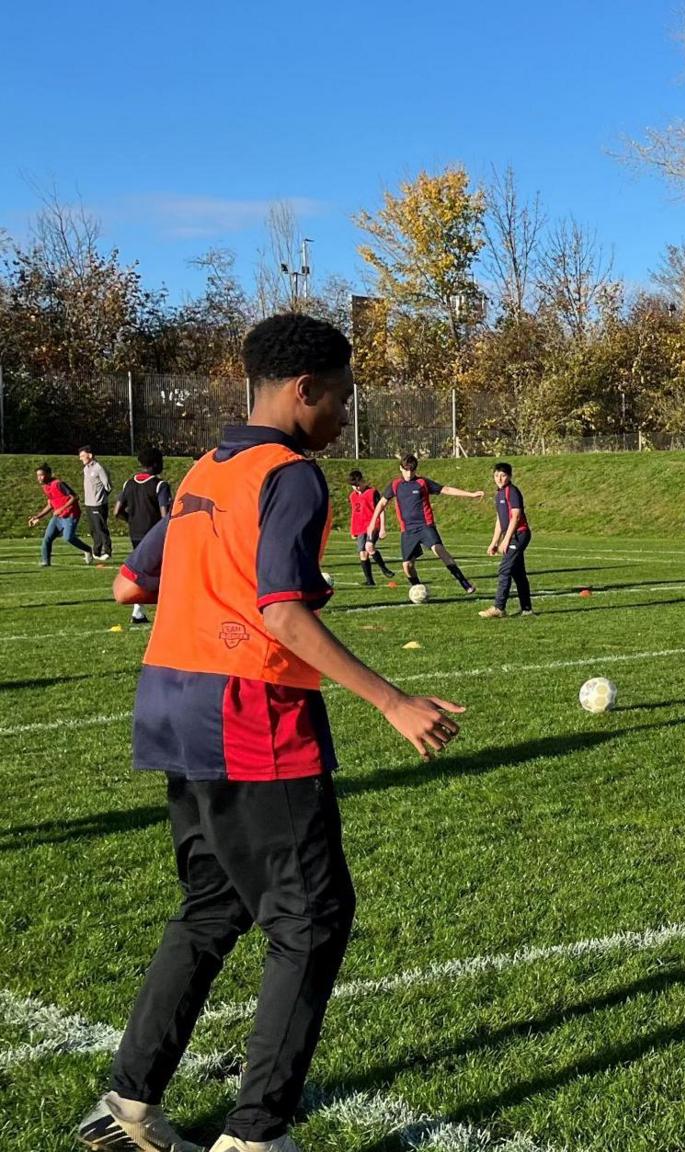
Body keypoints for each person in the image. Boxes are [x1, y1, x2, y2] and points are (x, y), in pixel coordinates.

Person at [77, 314, 464, 1152]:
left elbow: (124, 584)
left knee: (213, 905)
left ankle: (128, 1105)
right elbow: (281, 610)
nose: (344, 416)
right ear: (304, 391)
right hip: (249, 714)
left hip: (172, 706)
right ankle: (256, 1136)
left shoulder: (204, 473)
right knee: (312, 918)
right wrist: (392, 699)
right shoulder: (289, 476)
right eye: (343, 397)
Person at [371, 454, 484, 593]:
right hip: (408, 530)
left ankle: (465, 584)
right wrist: (372, 523)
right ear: (401, 468)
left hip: (425, 525)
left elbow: (446, 489)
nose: (409, 473)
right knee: (407, 566)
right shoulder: (395, 485)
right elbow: (382, 503)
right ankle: (417, 588)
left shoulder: (422, 483)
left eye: (412, 470)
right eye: (406, 470)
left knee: (439, 550)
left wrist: (471, 494)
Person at [112, 449, 174, 626]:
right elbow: (165, 515)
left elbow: (117, 511)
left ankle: (138, 611)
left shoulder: (128, 483)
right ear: (155, 464)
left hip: (136, 534)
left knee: (140, 573)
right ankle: (164, 611)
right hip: (153, 536)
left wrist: (131, 521)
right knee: (164, 573)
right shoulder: (159, 485)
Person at [479, 461, 534, 618]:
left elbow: (516, 517)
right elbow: (500, 520)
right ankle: (527, 610)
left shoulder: (512, 492)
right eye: (496, 475)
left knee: (505, 569)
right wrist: (494, 542)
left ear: (509, 476)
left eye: (503, 475)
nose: (499, 478)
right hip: (511, 536)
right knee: (518, 573)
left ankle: (499, 607)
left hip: (519, 535)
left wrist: (506, 540)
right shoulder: (499, 494)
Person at [28, 462, 93, 566]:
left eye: (41, 475)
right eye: (38, 476)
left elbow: (75, 497)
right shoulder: (46, 487)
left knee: (68, 537)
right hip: (58, 517)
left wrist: (61, 509)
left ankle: (88, 549)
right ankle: (46, 562)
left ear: (49, 474)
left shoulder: (58, 484)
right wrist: (37, 517)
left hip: (70, 514)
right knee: (47, 539)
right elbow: (50, 505)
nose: (39, 478)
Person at [346, 470, 397, 586]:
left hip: (373, 525)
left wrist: (383, 527)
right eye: (354, 486)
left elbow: (381, 509)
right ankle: (370, 581)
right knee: (363, 554)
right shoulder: (352, 496)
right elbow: (354, 513)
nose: (357, 488)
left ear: (363, 481)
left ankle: (384, 569)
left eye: (358, 485)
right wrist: (353, 530)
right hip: (360, 528)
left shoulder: (372, 492)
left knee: (369, 546)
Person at [79, 445, 115, 561]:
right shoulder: (86, 469)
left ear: (90, 455)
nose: (81, 458)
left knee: (101, 528)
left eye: (83, 456)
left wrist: (101, 498)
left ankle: (107, 551)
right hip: (89, 503)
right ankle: (96, 552)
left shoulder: (98, 468)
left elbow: (108, 486)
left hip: (98, 504)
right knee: (93, 529)